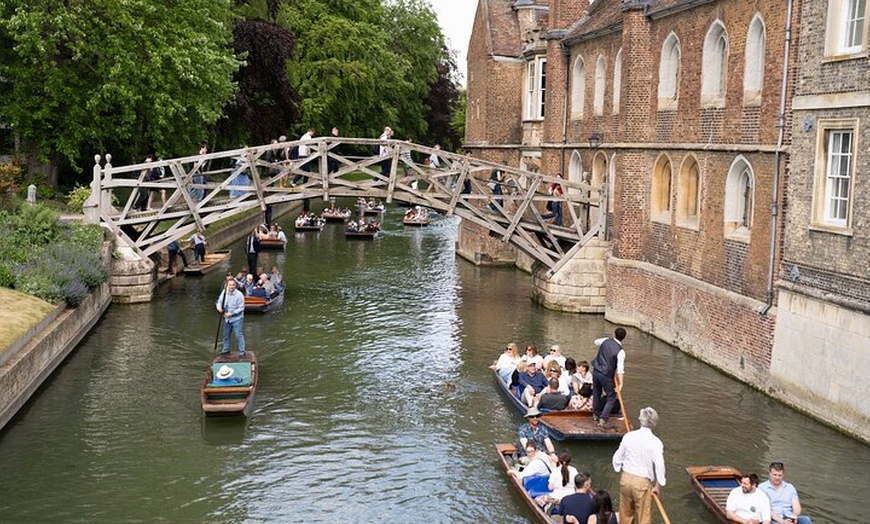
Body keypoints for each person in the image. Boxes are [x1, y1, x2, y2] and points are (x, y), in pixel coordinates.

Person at [612, 406, 666, 524]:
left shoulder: (629, 436)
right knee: (643, 519)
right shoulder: (656, 442)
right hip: (641, 483)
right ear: (654, 423)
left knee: (625, 517)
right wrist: (658, 485)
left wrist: (618, 468)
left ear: (640, 419)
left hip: (626, 479)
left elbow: (617, 457)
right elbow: (659, 466)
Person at [592, 327, 627, 428]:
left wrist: (606, 341)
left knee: (596, 393)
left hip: (596, 370)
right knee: (611, 397)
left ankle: (595, 415)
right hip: (606, 375)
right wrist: (621, 384)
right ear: (623, 338)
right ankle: (603, 419)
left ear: (614, 334)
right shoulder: (621, 352)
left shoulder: (606, 340)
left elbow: (596, 342)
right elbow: (620, 370)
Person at [215, 277, 246, 358]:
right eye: (230, 285)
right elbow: (219, 302)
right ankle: (226, 351)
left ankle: (242, 352)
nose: (231, 286)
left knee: (238, 335)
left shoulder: (239, 295)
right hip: (227, 319)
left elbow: (241, 308)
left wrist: (231, 314)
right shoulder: (224, 292)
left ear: (235, 285)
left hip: (237, 318)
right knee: (226, 335)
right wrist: (219, 308)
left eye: (233, 285)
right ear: (227, 285)